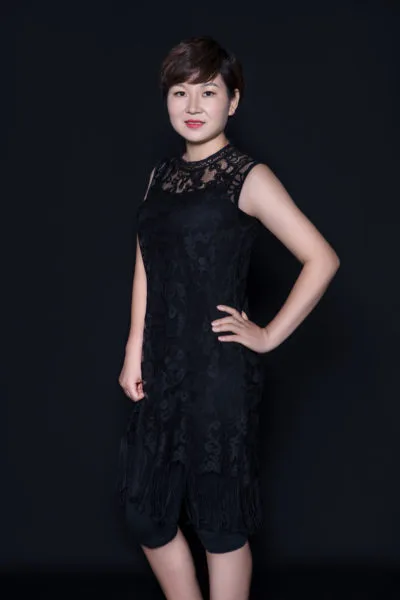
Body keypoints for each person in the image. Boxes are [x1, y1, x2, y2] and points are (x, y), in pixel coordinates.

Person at [117, 35, 340, 600]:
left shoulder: (247, 175)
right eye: (180, 92)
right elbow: (147, 259)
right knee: (147, 515)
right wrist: (134, 347)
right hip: (161, 368)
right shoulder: (160, 177)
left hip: (218, 374)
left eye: (208, 92)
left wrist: (266, 335)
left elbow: (322, 258)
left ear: (233, 101)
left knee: (220, 524)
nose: (193, 106)